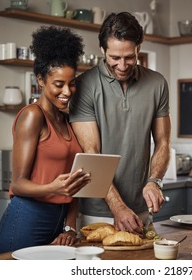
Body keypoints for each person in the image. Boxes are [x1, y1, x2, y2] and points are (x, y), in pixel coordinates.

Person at [69, 12, 171, 234]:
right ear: (102, 50)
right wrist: (118, 207)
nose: (123, 65)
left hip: (141, 209)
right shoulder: (83, 86)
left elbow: (163, 141)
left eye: (129, 57)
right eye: (115, 57)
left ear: (138, 49)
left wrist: (154, 181)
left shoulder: (157, 83)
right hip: (98, 211)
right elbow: (91, 154)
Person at [0, 26, 90, 253]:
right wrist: (54, 187)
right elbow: (18, 184)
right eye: (59, 84)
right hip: (26, 220)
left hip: (59, 224)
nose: (67, 91)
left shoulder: (68, 120)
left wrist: (69, 227)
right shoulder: (32, 116)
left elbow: (73, 185)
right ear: (40, 80)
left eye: (72, 83)